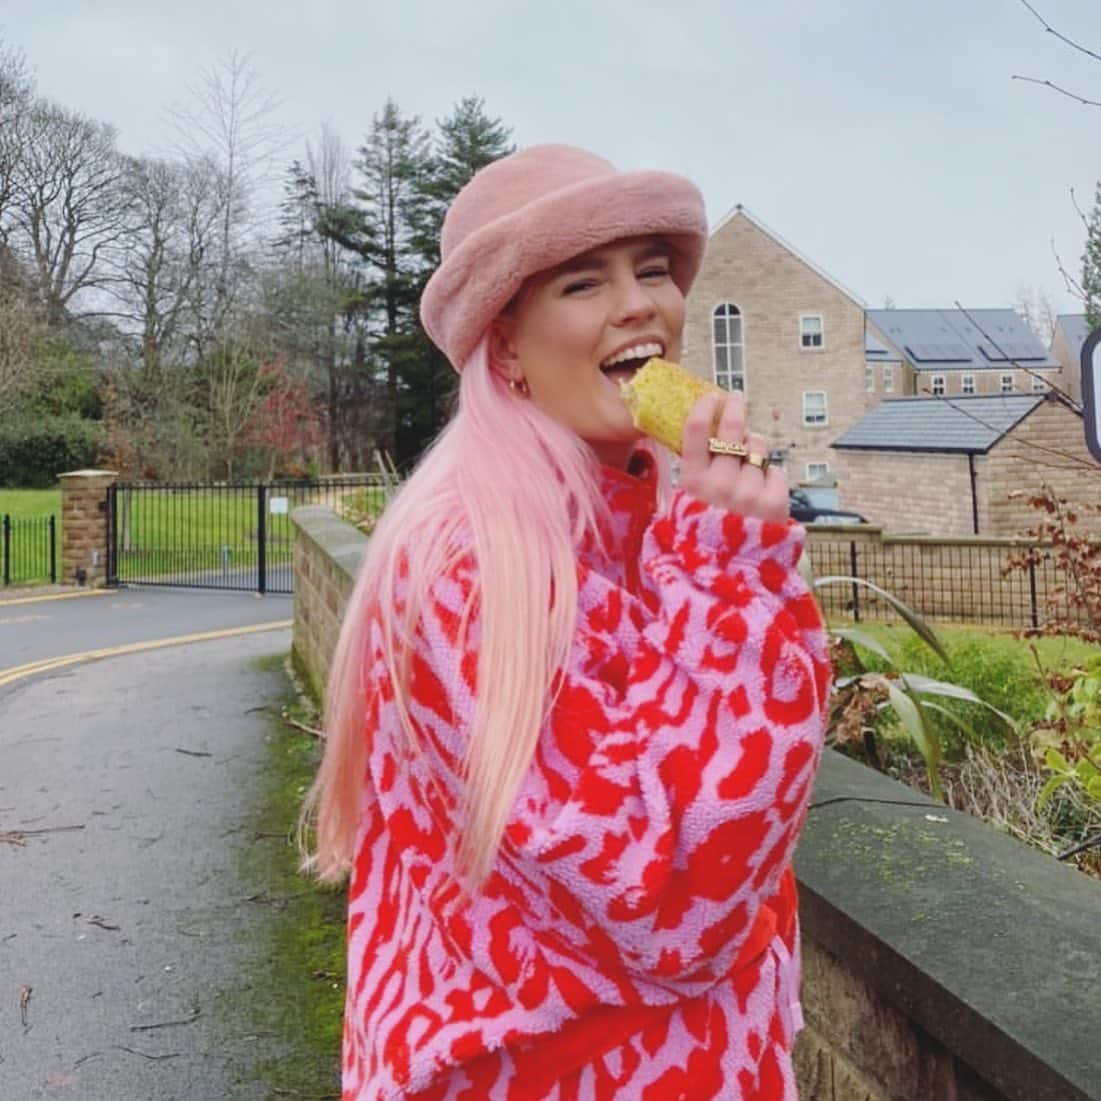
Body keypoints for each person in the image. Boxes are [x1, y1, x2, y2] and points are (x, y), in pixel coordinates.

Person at [303, 144, 831, 1100]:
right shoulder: (474, 566)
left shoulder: (628, 517)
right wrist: (729, 566)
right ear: (502, 344)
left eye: (653, 271)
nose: (640, 305)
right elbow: (670, 901)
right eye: (583, 282)